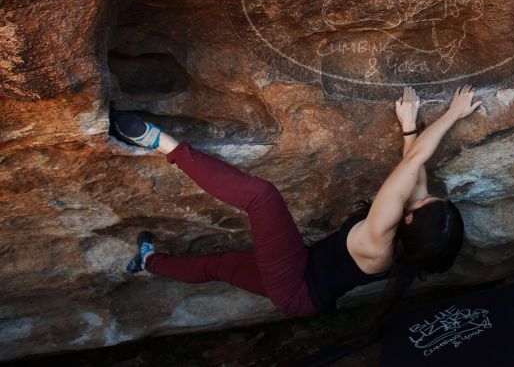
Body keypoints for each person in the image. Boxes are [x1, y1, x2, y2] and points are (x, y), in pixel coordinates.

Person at [112, 85, 481, 321]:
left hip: (296, 287)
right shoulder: (406, 237)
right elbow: (415, 180)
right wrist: (408, 125)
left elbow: (413, 164)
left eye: (430, 201)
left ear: (412, 221)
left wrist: (451, 114)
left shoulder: (378, 237)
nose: (426, 192)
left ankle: (163, 144)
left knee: (262, 197)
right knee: (218, 265)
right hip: (302, 286)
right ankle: (148, 262)